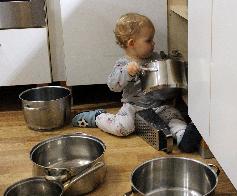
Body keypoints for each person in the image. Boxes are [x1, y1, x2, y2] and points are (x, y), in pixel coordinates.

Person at [72, 13, 201, 152]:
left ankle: (184, 138)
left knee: (174, 117)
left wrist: (175, 59)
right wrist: (128, 72)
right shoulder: (123, 64)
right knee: (122, 128)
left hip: (160, 106)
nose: (153, 43)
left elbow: (169, 69)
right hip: (133, 107)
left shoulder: (157, 58)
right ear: (132, 43)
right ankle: (98, 117)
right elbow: (113, 85)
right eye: (149, 40)